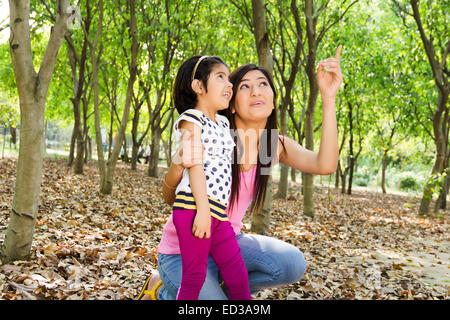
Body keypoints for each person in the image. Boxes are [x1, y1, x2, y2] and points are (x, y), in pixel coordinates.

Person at [137, 46, 342, 300]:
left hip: (226, 242)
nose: (256, 90)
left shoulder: (271, 145)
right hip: (182, 251)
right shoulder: (216, 136)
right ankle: (162, 292)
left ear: (273, 98)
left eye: (263, 84)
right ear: (231, 104)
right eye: (244, 86)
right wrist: (179, 166)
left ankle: (215, 288)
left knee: (292, 264)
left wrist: (329, 97)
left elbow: (325, 164)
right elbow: (171, 198)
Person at [140, 55, 252, 300]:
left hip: (217, 212)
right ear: (198, 87)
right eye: (220, 77)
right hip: (193, 208)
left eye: (228, 77)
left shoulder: (222, 123)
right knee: (194, 276)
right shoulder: (192, 119)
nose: (229, 83)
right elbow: (195, 165)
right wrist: (202, 210)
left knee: (237, 274)